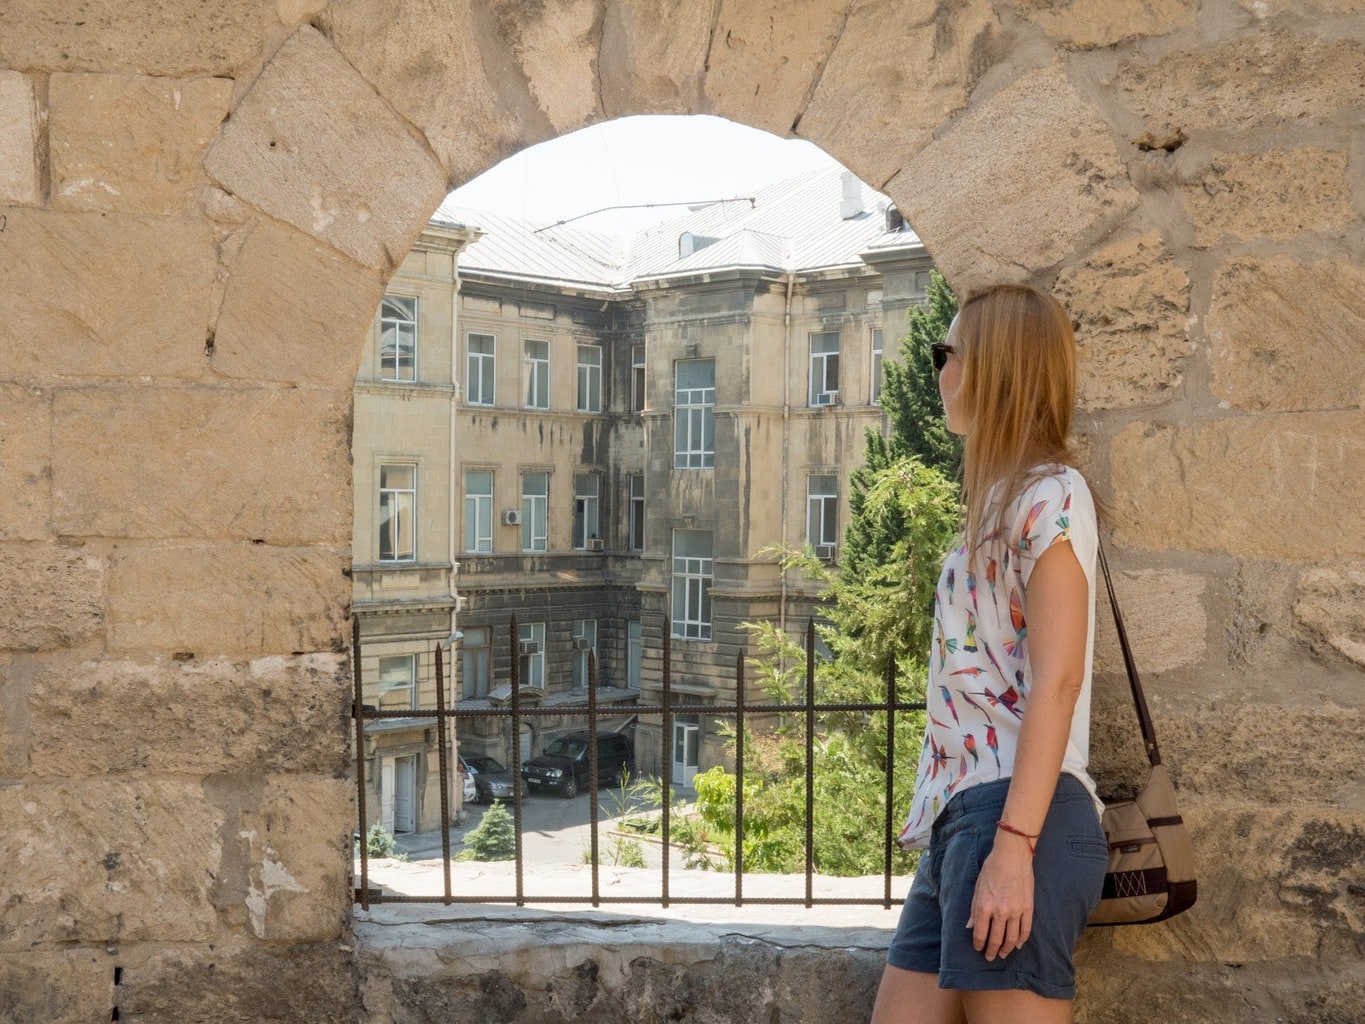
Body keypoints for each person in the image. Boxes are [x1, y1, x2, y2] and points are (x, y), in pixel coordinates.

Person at [871, 285, 1107, 1024]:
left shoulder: (1051, 494)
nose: (936, 370)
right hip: (960, 824)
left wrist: (1011, 849)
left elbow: (1058, 680)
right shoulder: (1002, 498)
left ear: (993, 370)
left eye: (947, 354)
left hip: (1013, 820)